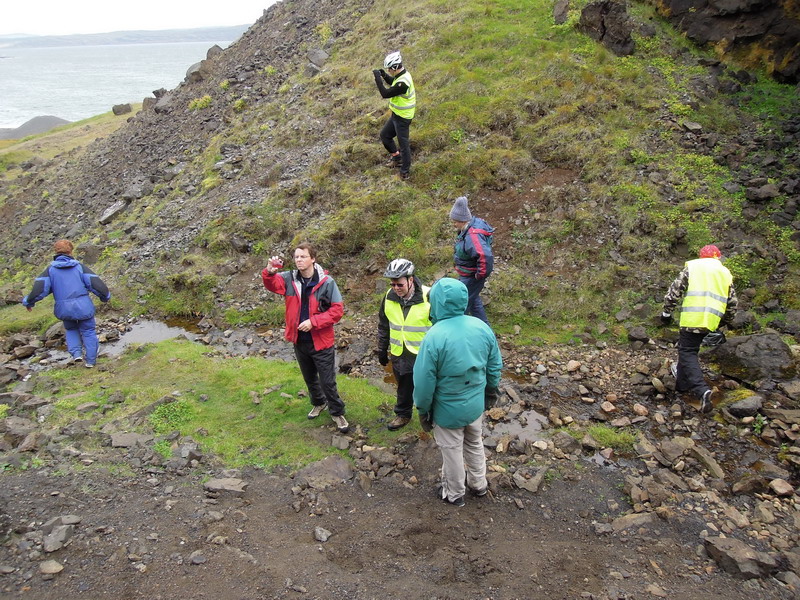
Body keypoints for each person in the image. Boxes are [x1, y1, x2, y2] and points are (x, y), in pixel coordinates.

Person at [413, 278, 503, 507]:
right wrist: (490, 391)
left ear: (437, 302)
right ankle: (479, 484)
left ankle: (454, 494)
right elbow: (494, 366)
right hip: (475, 404)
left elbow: (423, 382)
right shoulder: (481, 327)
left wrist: (423, 410)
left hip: (447, 410)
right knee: (474, 442)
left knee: (452, 451)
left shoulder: (434, 336)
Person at [262, 243, 349, 433]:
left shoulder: (327, 282)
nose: (299, 260)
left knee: (327, 381)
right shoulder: (289, 278)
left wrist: (313, 322)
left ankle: (337, 412)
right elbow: (272, 284)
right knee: (309, 378)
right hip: (299, 340)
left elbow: (337, 311)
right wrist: (269, 272)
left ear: (313, 259)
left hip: (321, 341)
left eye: (303, 256)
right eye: (296, 257)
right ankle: (319, 403)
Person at [662, 244, 738, 413]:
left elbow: (675, 290)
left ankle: (701, 390)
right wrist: (724, 321)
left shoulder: (693, 267)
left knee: (687, 351)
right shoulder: (725, 273)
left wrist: (666, 312)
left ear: (701, 256)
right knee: (689, 349)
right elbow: (732, 303)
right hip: (711, 320)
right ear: (718, 257)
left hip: (692, 317)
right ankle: (682, 385)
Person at [22, 239, 111, 367]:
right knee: (88, 331)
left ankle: (77, 355)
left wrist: (28, 302)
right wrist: (105, 297)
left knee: (71, 329)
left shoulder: (50, 270)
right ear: (70, 251)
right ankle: (90, 361)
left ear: (56, 252)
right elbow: (96, 284)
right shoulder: (79, 267)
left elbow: (39, 290)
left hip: (64, 308)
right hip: (83, 307)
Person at [377, 259, 432, 431]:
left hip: (424, 353)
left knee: (428, 388)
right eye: (392, 284)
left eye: (399, 284)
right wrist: (382, 349)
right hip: (399, 351)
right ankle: (403, 415)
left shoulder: (429, 296)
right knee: (403, 387)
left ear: (410, 279)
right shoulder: (389, 296)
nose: (396, 288)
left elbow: (441, 327)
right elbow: (384, 324)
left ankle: (431, 419)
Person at [449, 196, 495, 325]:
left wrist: (479, 275)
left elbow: (485, 256)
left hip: (471, 276)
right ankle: (486, 330)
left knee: (461, 305)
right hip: (468, 274)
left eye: (455, 221)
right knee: (474, 302)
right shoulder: (468, 228)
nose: (454, 224)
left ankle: (457, 329)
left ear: (463, 220)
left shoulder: (472, 235)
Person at [372, 51, 416, 181]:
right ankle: (397, 158)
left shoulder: (404, 82)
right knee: (385, 135)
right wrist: (384, 75)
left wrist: (378, 78)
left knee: (404, 145)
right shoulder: (401, 75)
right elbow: (393, 82)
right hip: (396, 115)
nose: (388, 71)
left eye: (389, 69)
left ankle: (405, 172)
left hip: (403, 118)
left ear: (395, 67)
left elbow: (385, 93)